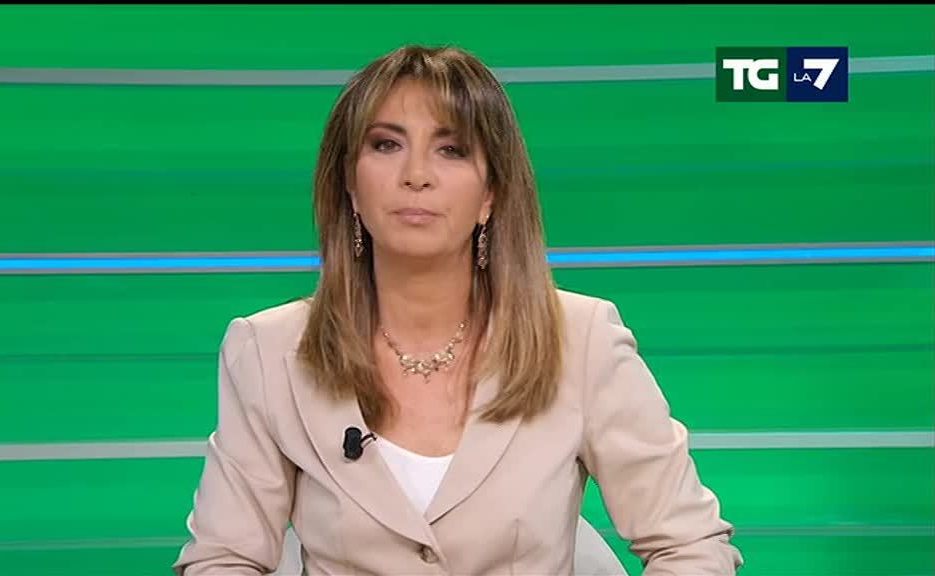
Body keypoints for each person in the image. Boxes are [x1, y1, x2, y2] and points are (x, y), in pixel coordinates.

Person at [173, 44, 744, 575]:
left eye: (451, 149)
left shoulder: (581, 340)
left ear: (490, 193)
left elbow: (690, 545)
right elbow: (222, 559)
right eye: (386, 145)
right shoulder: (269, 350)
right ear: (349, 182)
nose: (416, 175)